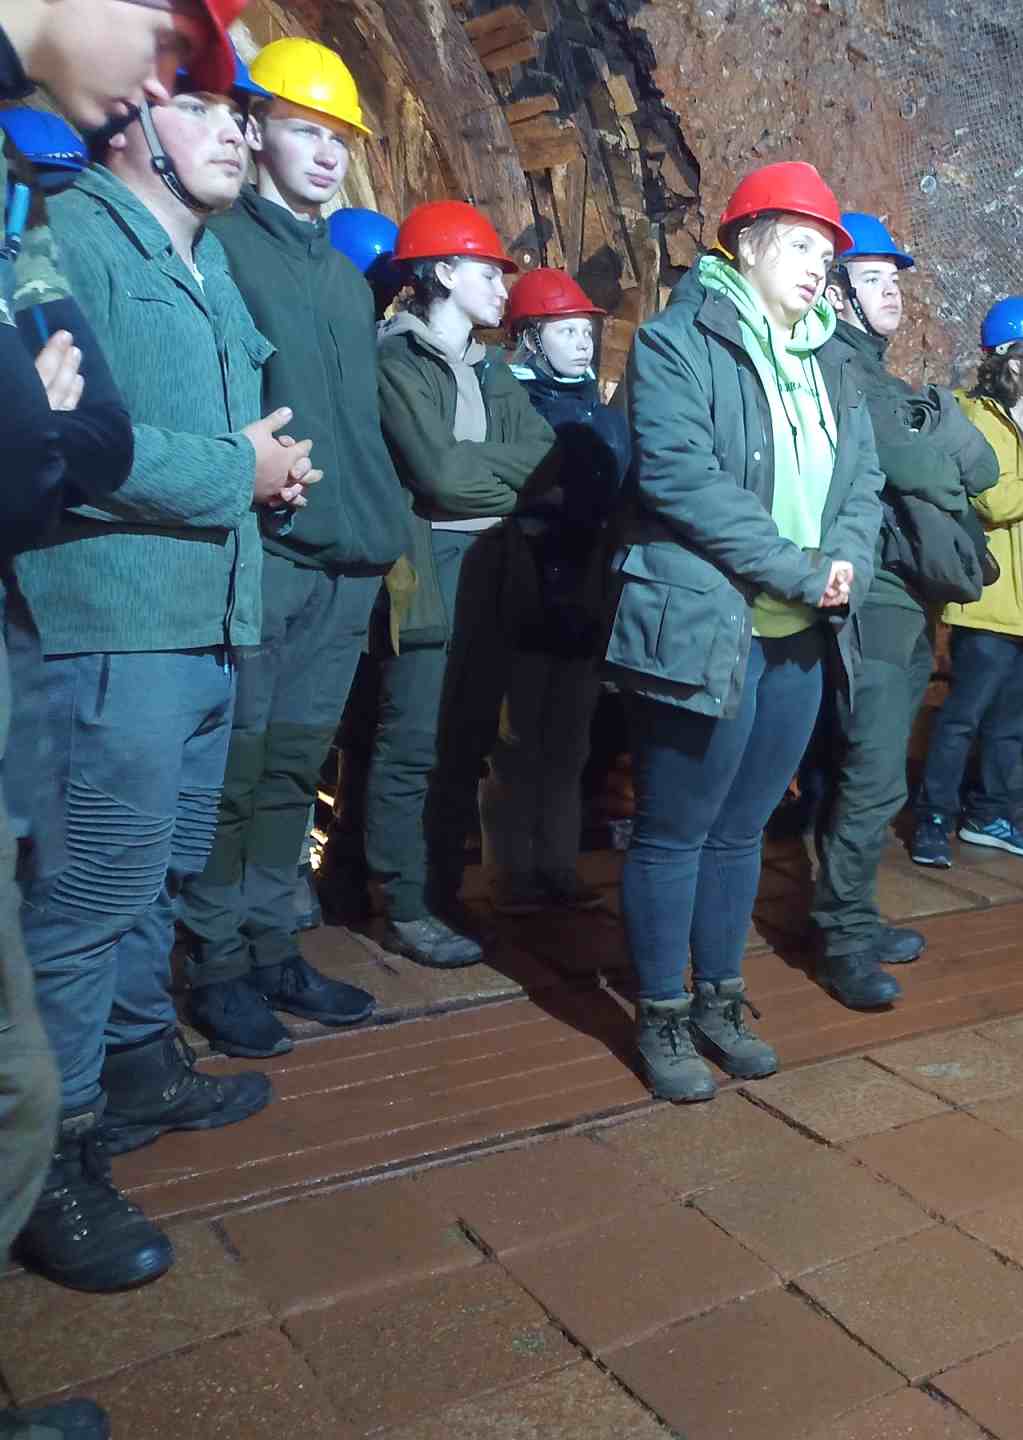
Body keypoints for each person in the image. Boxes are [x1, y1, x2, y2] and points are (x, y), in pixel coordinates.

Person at [15, 10, 316, 1311]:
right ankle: (54, 1160)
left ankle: (138, 1065)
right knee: (84, 901)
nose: (235, 133)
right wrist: (236, 472)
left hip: (203, 616)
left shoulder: (207, 260)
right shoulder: (73, 235)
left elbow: (226, 429)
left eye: (243, 115)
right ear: (137, 120)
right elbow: (77, 442)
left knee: (156, 873)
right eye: (205, 106)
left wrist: (269, 478)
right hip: (111, 622)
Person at [609, 161, 883, 1100]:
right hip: (709, 623)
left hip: (798, 635)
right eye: (801, 244)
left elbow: (863, 482)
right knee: (676, 829)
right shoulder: (677, 342)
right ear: (748, 242)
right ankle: (661, 1012)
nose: (817, 266)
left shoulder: (834, 360)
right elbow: (681, 479)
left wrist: (847, 565)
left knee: (741, 830)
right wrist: (803, 568)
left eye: (826, 254)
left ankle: (719, 1000)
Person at [171, 37, 408, 1058]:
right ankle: (215, 960)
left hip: (347, 559)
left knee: (294, 766)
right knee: (237, 765)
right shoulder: (221, 246)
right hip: (267, 551)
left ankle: (274, 944)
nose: (325, 154)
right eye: (304, 130)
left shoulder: (348, 283)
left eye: (338, 138)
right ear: (256, 131)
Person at [359, 200, 554, 969]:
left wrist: (485, 476)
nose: (504, 288)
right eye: (487, 273)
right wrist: (500, 477)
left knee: (466, 739)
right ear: (442, 272)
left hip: (492, 567)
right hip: (428, 568)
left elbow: (545, 459)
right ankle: (402, 903)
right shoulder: (395, 362)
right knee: (412, 738)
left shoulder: (489, 366)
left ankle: (442, 891)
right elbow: (438, 475)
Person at [809, 211, 995, 1009]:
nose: (893, 293)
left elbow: (971, 469)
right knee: (873, 771)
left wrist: (933, 449)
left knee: (856, 766)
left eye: (894, 280)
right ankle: (844, 937)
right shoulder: (840, 369)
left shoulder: (877, 376)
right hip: (875, 591)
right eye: (874, 279)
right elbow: (930, 470)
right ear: (838, 293)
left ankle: (843, 912)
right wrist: (935, 446)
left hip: (901, 593)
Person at [911, 296, 1023, 868]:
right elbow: (993, 499)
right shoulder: (976, 423)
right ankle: (934, 818)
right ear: (1013, 361)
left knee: (1011, 723)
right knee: (963, 719)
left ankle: (988, 814)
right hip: (989, 603)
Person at [480, 267, 625, 914]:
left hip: (587, 589)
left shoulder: (602, 416)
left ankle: (557, 868)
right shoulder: (511, 404)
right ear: (532, 337)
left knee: (568, 743)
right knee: (516, 746)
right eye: (565, 331)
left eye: (584, 331)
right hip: (529, 589)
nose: (582, 343)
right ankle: (512, 874)